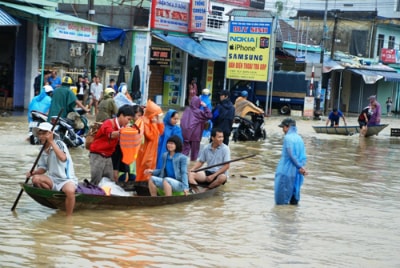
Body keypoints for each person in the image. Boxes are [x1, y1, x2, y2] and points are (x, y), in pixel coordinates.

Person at [27, 122, 78, 216]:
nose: (41, 136)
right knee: (36, 179)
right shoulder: (41, 149)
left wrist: (51, 142)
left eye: (44, 133)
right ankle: (55, 197)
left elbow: (63, 158)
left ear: (50, 135)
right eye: (40, 134)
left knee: (70, 191)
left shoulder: (59, 144)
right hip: (53, 179)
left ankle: (69, 217)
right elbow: (43, 168)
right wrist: (33, 172)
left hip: (66, 179)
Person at [89, 104, 136, 185]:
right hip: (97, 154)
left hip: (108, 156)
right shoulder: (109, 123)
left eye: (130, 120)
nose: (128, 122)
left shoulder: (122, 127)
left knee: (110, 181)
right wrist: (125, 132)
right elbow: (111, 135)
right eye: (128, 119)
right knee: (96, 180)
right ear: (121, 115)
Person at [275, 118, 307, 205]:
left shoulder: (287, 138)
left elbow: (291, 155)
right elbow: (303, 156)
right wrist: (301, 167)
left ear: (288, 127)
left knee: (281, 199)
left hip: (286, 171)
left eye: (283, 127)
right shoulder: (299, 138)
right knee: (294, 197)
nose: (283, 130)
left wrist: (299, 166)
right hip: (297, 173)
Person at [135, 99, 165, 183]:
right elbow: (151, 136)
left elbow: (161, 132)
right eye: (156, 115)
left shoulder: (152, 121)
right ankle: (140, 185)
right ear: (152, 114)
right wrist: (154, 123)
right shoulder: (144, 121)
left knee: (150, 170)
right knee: (143, 169)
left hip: (152, 151)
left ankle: (147, 185)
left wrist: (159, 121)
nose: (157, 117)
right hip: (145, 151)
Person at [180, 96, 212, 161]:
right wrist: (205, 106)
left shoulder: (186, 110)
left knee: (184, 152)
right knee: (194, 155)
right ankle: (193, 168)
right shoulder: (199, 112)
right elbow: (209, 115)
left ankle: (180, 166)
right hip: (195, 136)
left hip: (186, 135)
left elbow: (182, 121)